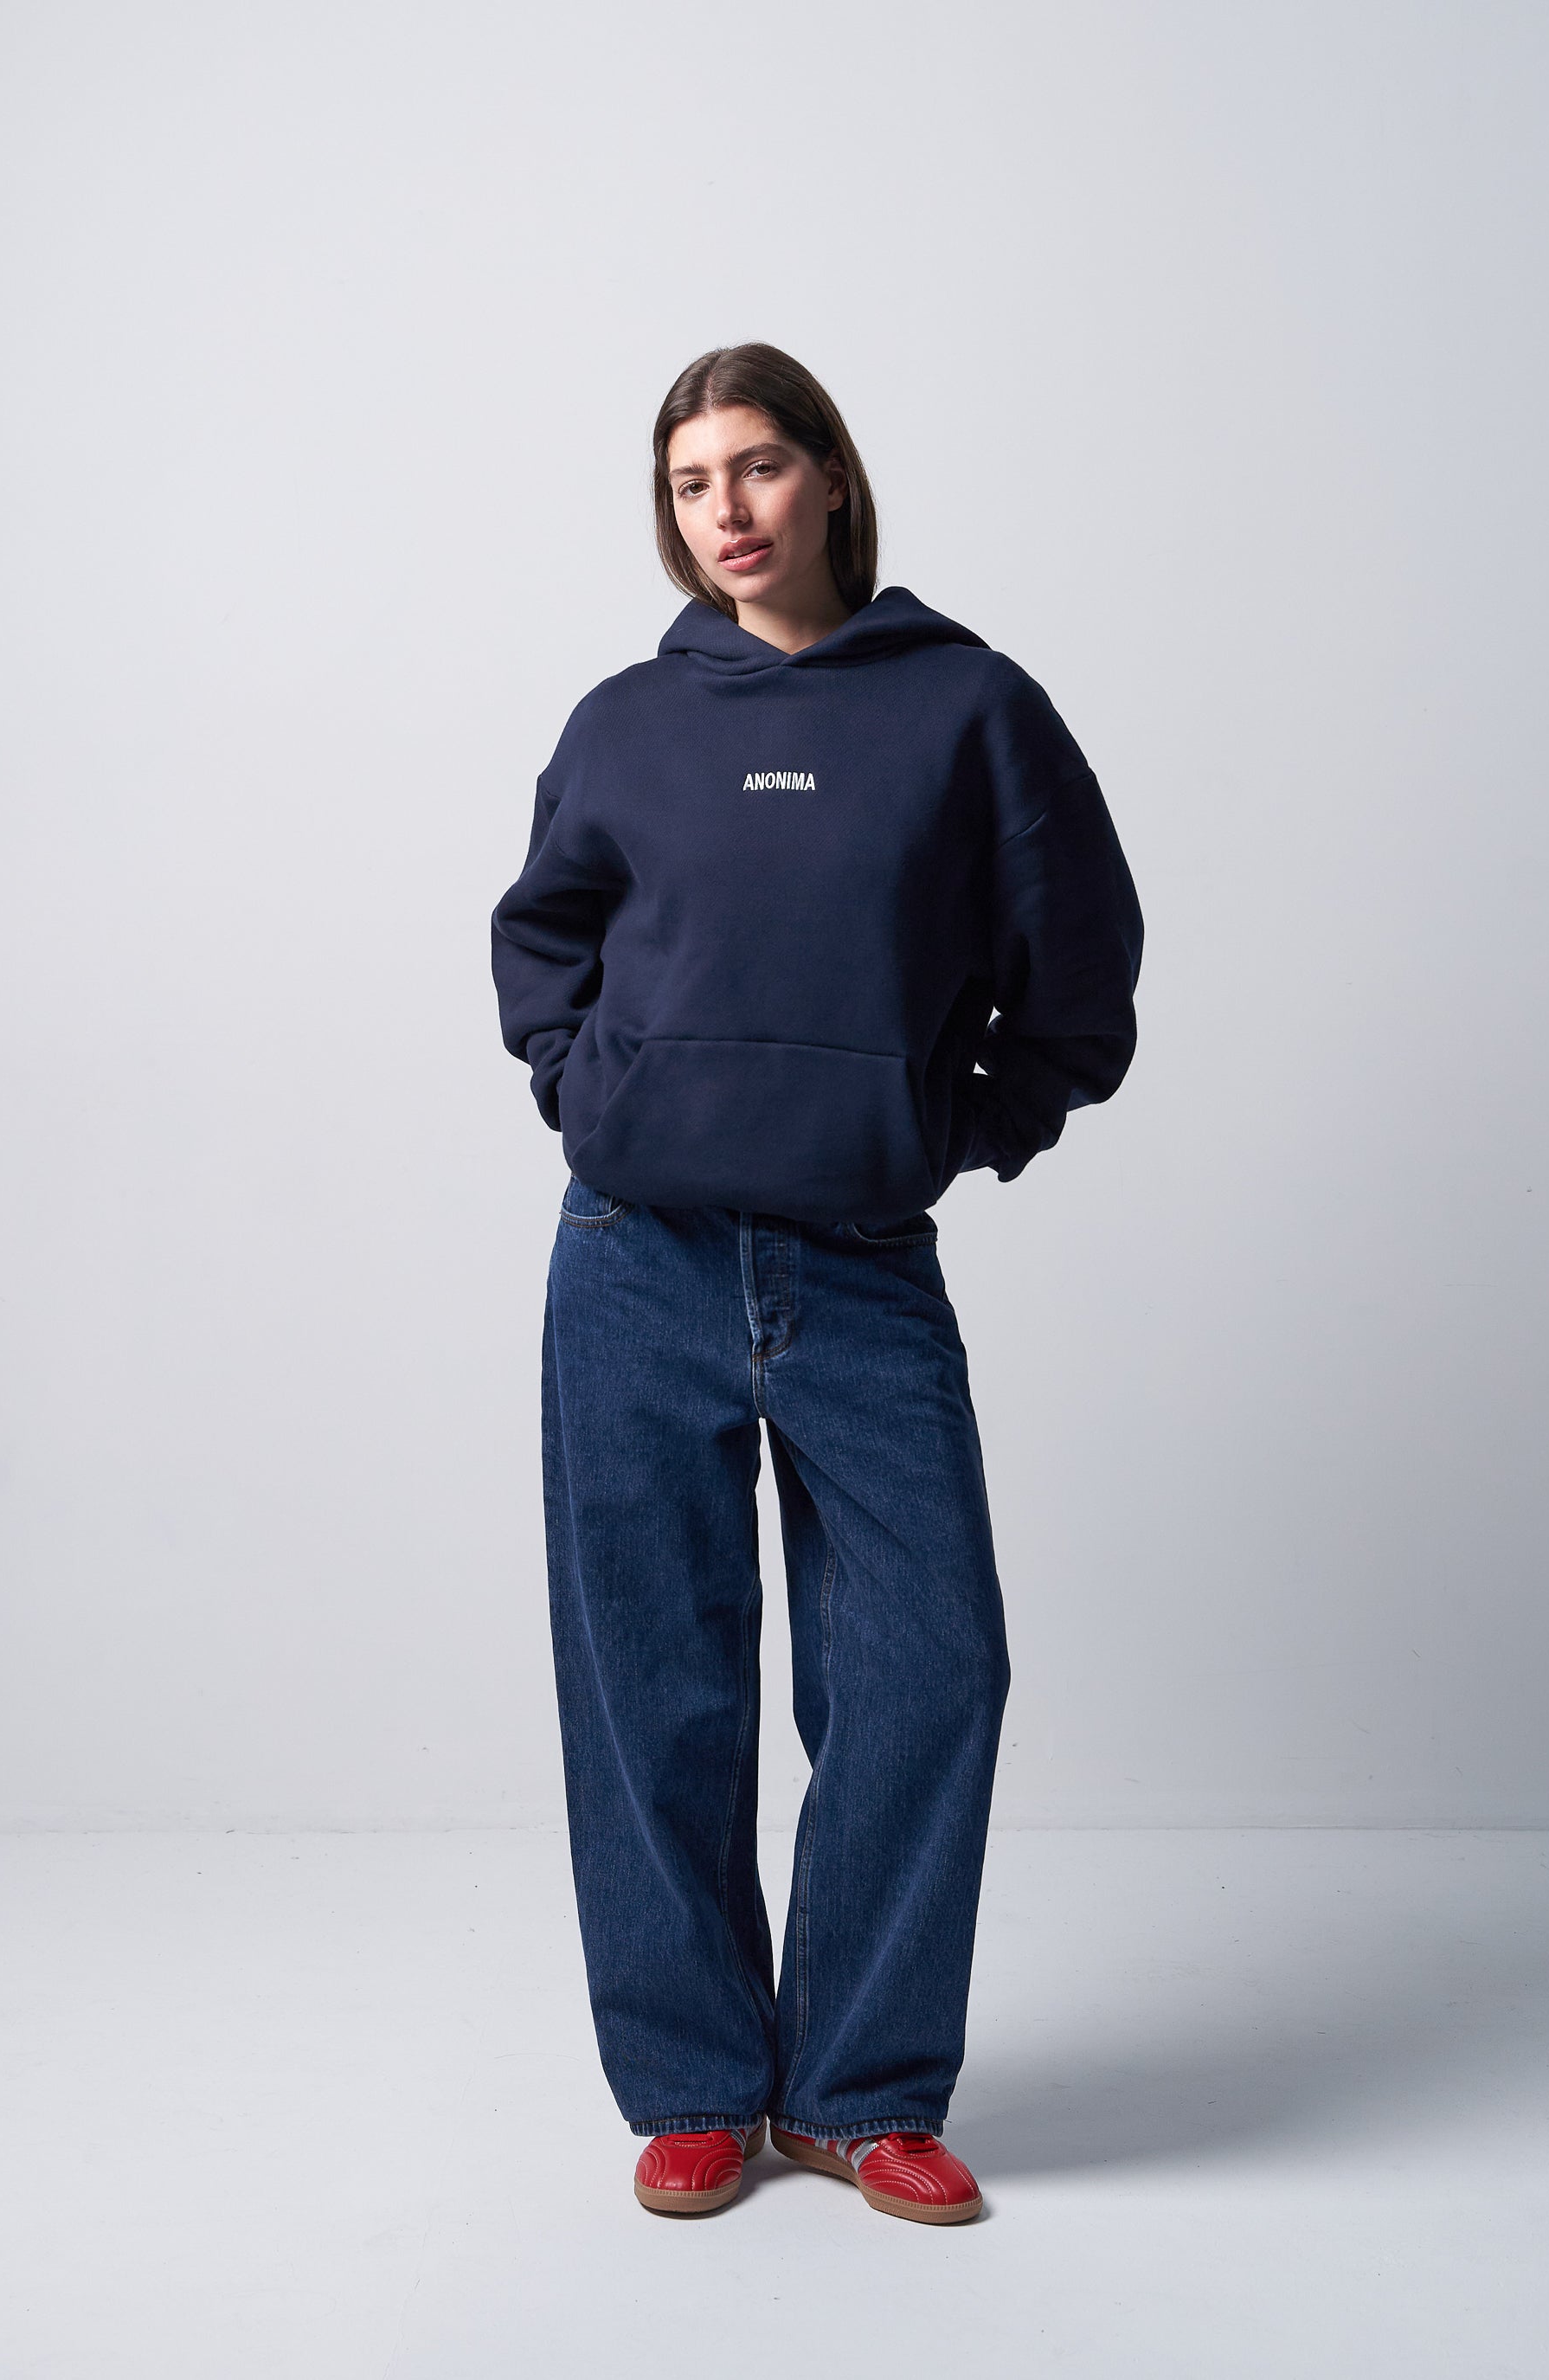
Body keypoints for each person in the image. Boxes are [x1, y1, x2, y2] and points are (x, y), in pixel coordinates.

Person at [488, 343, 1144, 2225]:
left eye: (760, 466)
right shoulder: (624, 720)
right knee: (654, 1678)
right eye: (693, 480)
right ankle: (697, 2079)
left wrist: (951, 1125)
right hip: (634, 1259)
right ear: (672, 514)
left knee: (930, 1661)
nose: (729, 507)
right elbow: (540, 938)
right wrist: (585, 1085)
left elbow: (1077, 967)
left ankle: (858, 2087)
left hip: (857, 1264)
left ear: (830, 481)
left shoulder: (966, 708)